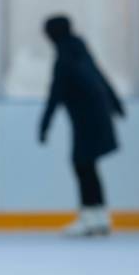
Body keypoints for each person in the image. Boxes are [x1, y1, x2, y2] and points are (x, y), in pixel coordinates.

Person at [38, 15, 125, 237]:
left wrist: (45, 124)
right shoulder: (79, 51)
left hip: (86, 118)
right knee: (87, 166)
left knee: (82, 165)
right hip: (94, 115)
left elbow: (55, 93)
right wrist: (115, 102)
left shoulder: (65, 57)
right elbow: (100, 74)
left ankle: (90, 217)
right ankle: (98, 216)